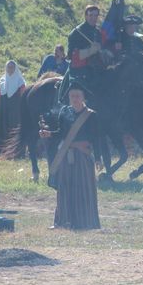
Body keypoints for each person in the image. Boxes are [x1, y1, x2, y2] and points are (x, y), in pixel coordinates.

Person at [40, 83, 102, 230]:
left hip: (83, 157)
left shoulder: (91, 115)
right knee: (64, 188)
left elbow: (96, 138)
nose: (74, 98)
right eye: (72, 96)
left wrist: (98, 158)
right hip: (66, 156)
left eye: (77, 96)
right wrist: (49, 134)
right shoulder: (64, 112)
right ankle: (62, 221)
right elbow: (61, 134)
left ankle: (86, 222)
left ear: (83, 97)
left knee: (83, 189)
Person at [67, 5, 104, 94]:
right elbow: (71, 55)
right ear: (86, 16)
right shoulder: (77, 32)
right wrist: (90, 50)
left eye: (95, 15)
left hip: (95, 69)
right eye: (90, 15)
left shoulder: (98, 32)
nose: (93, 18)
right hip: (80, 71)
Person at [0, 61, 27, 154]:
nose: (10, 69)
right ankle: (2, 150)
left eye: (12, 67)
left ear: (15, 69)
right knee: (2, 130)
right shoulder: (1, 82)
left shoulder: (20, 82)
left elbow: (24, 99)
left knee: (14, 131)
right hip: (3, 112)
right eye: (8, 67)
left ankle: (15, 151)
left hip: (16, 113)